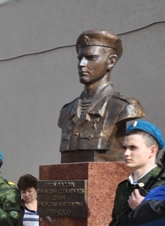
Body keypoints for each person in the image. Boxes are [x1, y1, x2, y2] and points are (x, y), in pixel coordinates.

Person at [58, 30, 144, 163]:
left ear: (111, 61)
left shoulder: (124, 107)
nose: (82, 64)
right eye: (80, 58)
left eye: (91, 58)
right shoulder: (66, 111)